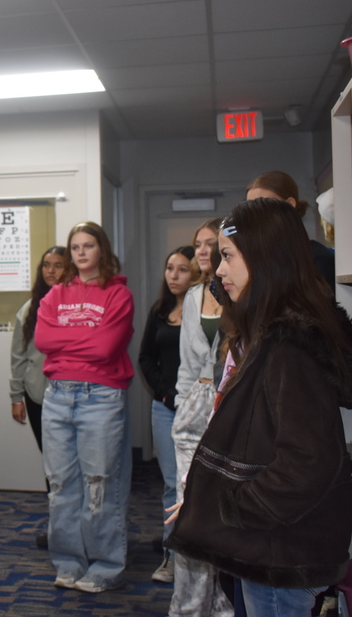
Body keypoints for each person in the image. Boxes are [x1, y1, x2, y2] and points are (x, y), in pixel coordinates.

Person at [166, 198, 352, 617]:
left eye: (228, 256)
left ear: (264, 258)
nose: (218, 270)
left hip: (280, 553)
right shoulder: (279, 330)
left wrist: (229, 506)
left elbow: (306, 461)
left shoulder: (288, 346)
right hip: (278, 547)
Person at [35, 221, 135, 594]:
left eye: (88, 245)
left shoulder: (118, 295)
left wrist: (68, 340)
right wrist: (84, 336)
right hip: (58, 396)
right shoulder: (55, 294)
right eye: (74, 246)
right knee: (62, 487)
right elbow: (44, 338)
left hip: (101, 398)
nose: (80, 252)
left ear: (101, 250)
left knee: (100, 486)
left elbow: (106, 348)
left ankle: (105, 566)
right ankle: (68, 562)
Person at [169, 217, 233, 617]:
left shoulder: (239, 293)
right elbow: (187, 365)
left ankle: (224, 605)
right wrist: (182, 407)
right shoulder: (193, 297)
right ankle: (189, 608)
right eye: (198, 245)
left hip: (228, 408)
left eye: (212, 244)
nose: (204, 251)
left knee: (223, 515)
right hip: (193, 409)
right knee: (187, 514)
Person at [137, 245, 197, 585]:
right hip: (164, 408)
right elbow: (146, 357)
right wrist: (165, 393)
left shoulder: (205, 311)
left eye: (182, 269)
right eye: (169, 268)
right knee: (172, 484)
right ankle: (171, 556)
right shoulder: (160, 311)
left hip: (198, 408)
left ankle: (198, 559)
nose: (173, 275)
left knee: (195, 486)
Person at [9, 246, 65, 549]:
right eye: (46, 265)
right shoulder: (30, 308)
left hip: (69, 394)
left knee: (69, 464)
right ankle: (57, 525)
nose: (51, 271)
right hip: (35, 393)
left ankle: (74, 525)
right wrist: (15, 394)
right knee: (51, 464)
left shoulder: (74, 304)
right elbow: (18, 355)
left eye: (58, 265)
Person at [245, 171, 335, 288]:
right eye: (250, 207)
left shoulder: (317, 257)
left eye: (264, 204)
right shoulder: (250, 257)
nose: (256, 213)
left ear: (289, 204)